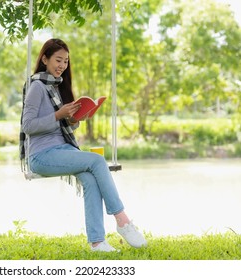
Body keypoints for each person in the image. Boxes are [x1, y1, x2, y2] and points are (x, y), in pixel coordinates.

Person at [20, 38, 147, 252]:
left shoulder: (59, 87)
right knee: (97, 161)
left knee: (90, 179)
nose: (62, 65)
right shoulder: (37, 87)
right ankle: (123, 221)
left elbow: (63, 126)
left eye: (66, 61)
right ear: (44, 59)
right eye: (58, 60)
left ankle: (97, 242)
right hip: (41, 155)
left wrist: (74, 119)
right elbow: (28, 125)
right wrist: (58, 114)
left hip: (63, 150)